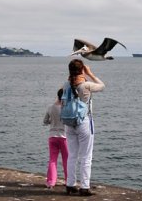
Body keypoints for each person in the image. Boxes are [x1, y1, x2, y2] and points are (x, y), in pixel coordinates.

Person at [64, 58, 105, 196]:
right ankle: (84, 187)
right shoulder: (86, 85)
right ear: (82, 70)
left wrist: (75, 75)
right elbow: (102, 85)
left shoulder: (66, 85)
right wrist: (90, 73)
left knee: (72, 155)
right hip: (84, 122)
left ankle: (70, 185)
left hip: (69, 123)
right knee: (86, 156)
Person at [43, 88, 68, 189]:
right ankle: (68, 181)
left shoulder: (50, 107)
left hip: (52, 137)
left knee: (52, 160)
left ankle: (51, 182)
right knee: (66, 160)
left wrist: (52, 122)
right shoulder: (66, 108)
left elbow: (45, 121)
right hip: (64, 137)